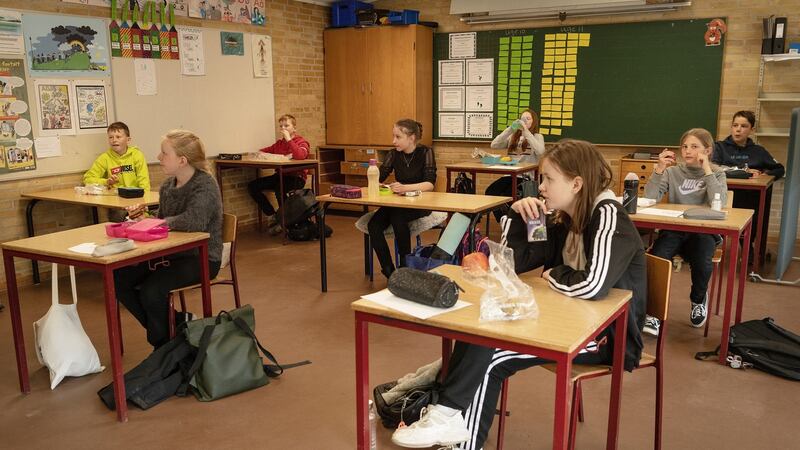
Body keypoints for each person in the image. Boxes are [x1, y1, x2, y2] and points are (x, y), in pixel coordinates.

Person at [391, 139, 647, 449]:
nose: (541, 187)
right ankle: (447, 415)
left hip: (606, 338)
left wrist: (556, 274)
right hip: (565, 320)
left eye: (549, 179)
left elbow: (592, 285)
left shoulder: (608, 215)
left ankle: (450, 421)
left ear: (577, 183)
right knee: (483, 331)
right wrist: (516, 216)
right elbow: (515, 262)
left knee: (491, 357)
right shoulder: (561, 215)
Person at [115, 130, 223, 349]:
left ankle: (163, 345)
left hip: (201, 258)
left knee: (152, 290)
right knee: (119, 279)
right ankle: (176, 326)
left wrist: (157, 223)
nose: (158, 157)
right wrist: (143, 219)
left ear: (182, 160)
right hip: (171, 255)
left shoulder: (205, 185)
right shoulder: (167, 186)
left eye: (165, 153)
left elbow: (194, 221)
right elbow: (165, 220)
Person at [644, 128, 727, 335]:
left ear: (707, 151)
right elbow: (650, 197)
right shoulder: (673, 172)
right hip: (674, 230)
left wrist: (706, 169)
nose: (687, 151)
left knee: (702, 261)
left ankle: (698, 300)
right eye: (684, 146)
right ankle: (653, 312)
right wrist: (659, 169)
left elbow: (720, 201)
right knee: (658, 257)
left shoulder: (717, 173)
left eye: (694, 147)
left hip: (703, 232)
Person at [712, 110, 785, 262]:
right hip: (726, 193)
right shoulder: (719, 146)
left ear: (751, 129)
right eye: (735, 125)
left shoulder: (758, 151)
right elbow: (714, 167)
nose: (738, 129)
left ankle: (750, 249)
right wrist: (744, 171)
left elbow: (779, 168)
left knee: (756, 219)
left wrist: (764, 174)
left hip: (751, 196)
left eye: (744, 126)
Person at [368, 119, 436, 279]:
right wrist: (378, 183)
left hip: (419, 203)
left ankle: (406, 267)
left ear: (411, 138)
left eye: (398, 137)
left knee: (398, 218)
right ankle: (389, 270)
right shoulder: (393, 154)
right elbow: (379, 176)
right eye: (393, 136)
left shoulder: (426, 152)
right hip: (397, 202)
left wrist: (406, 188)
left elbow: (429, 184)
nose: (393, 141)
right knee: (374, 225)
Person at [247, 114, 310, 235]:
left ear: (294, 128)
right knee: (253, 186)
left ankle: (286, 221)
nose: (283, 128)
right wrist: (257, 154)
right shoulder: (279, 144)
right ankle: (274, 215)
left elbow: (300, 155)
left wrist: (289, 140)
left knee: (280, 189)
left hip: (296, 178)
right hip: (280, 175)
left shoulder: (302, 142)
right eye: (281, 126)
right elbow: (264, 151)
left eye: (287, 125)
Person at [83, 122, 151, 221]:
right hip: (117, 204)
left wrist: (142, 203)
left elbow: (144, 182)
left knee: (141, 220)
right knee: (119, 217)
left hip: (136, 201)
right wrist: (106, 182)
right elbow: (87, 179)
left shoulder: (137, 155)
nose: (114, 140)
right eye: (111, 137)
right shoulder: (104, 158)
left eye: (118, 137)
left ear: (128, 140)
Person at [485, 109, 546, 221]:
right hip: (509, 175)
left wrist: (526, 132)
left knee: (509, 195)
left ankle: (510, 220)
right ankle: (504, 219)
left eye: (528, 119)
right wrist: (510, 130)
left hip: (525, 177)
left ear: (534, 122)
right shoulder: (513, 136)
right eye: (523, 119)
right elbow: (494, 145)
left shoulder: (537, 136)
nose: (525, 121)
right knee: (491, 191)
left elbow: (541, 151)